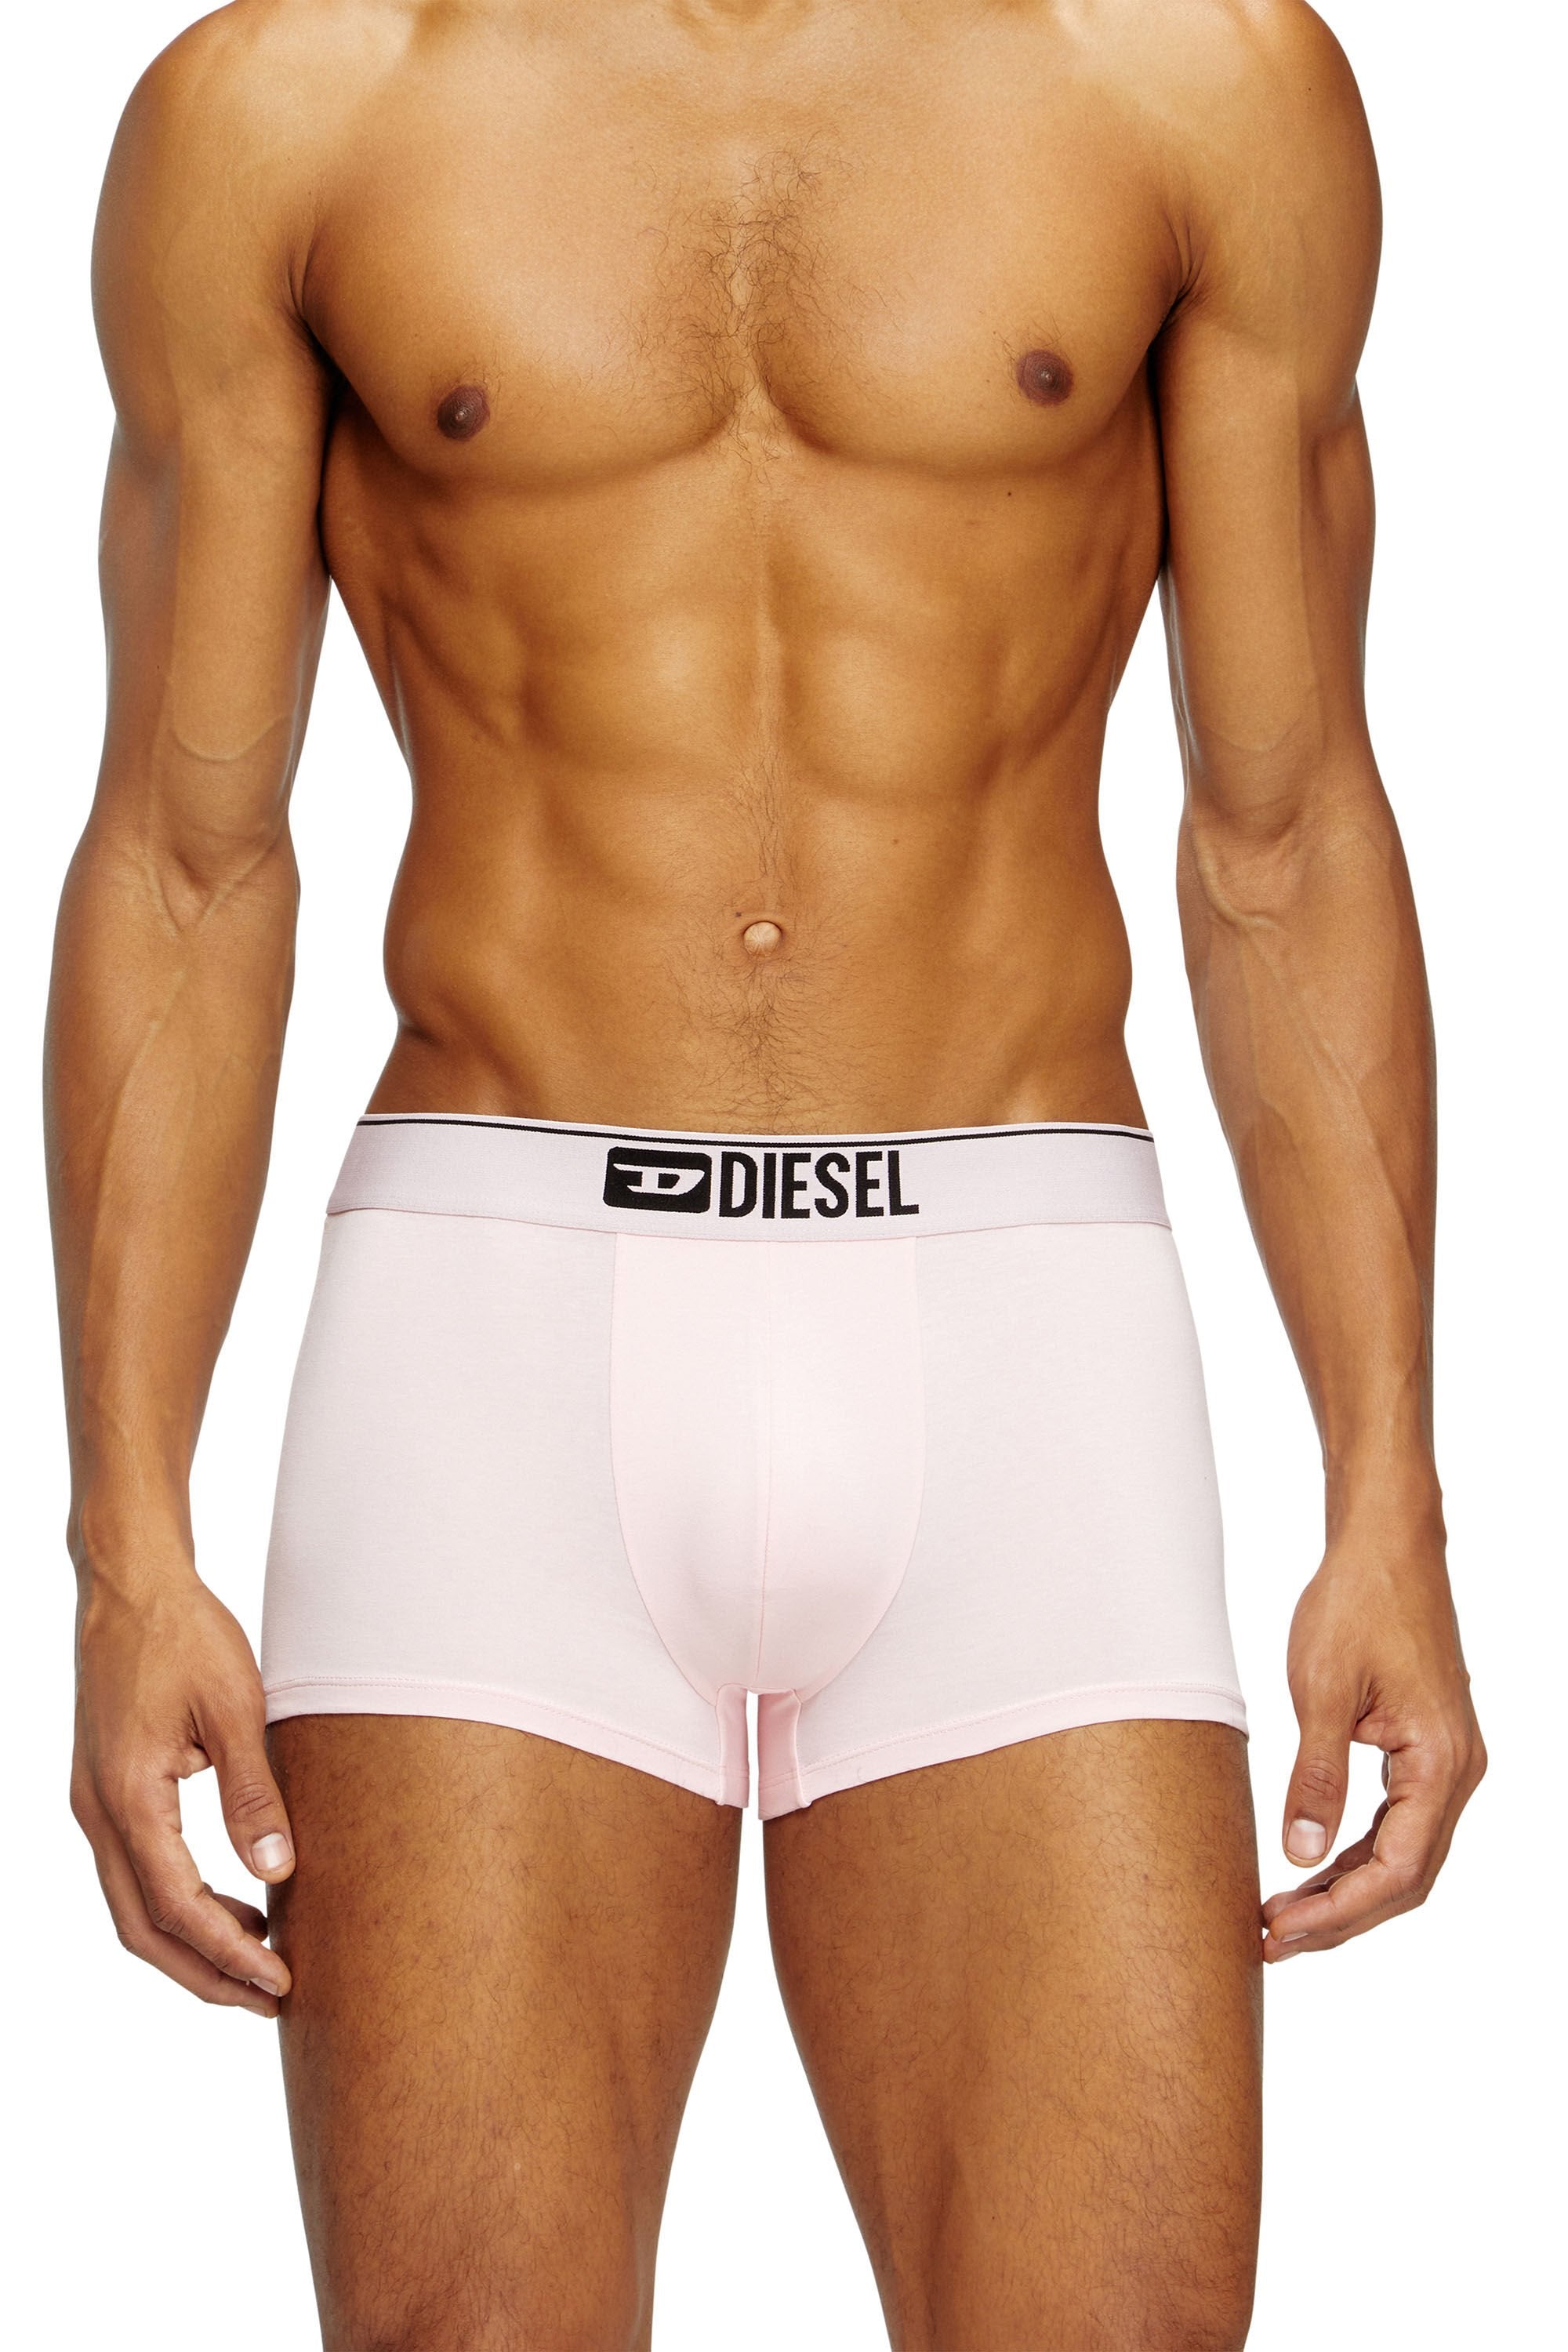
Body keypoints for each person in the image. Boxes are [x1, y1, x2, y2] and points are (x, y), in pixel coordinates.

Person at [45, 0, 1485, 2343]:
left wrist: (1388, 1493)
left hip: (1021, 1326)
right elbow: (188, 857)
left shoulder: (1195, 81)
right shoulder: (289, 106)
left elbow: (1288, 825)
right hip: (496, 1341)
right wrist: (127, 1543)